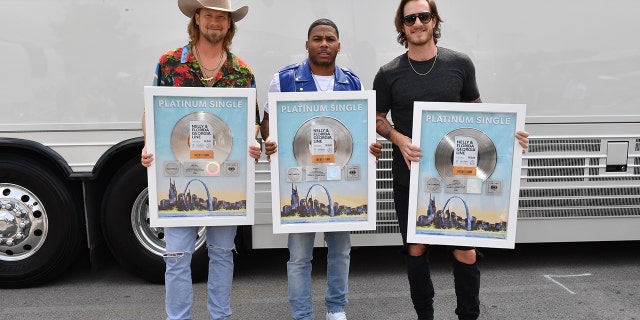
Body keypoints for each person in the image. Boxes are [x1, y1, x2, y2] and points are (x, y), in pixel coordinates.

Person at [372, 1, 529, 320]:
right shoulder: (388, 73)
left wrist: (509, 134)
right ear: (402, 27)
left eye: (423, 16)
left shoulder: (460, 64)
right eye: (410, 18)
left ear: (434, 21)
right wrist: (399, 138)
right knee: (415, 251)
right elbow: (376, 119)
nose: (417, 23)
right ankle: (425, 316)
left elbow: (480, 114)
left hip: (459, 176)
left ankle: (468, 316)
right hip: (410, 177)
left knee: (466, 251)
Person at [254, 18, 381, 320]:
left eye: (330, 38)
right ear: (307, 44)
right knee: (299, 257)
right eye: (317, 38)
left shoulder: (352, 83)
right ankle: (302, 314)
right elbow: (268, 122)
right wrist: (270, 141)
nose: (324, 43)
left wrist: (370, 146)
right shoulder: (283, 80)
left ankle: (336, 309)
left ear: (339, 45)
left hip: (340, 182)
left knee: (341, 251)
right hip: (299, 181)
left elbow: (360, 130)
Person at [140, 0, 259, 319]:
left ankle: (220, 316)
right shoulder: (169, 64)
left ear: (229, 24)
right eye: (209, 16)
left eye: (222, 17)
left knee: (222, 254)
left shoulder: (242, 72)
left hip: (225, 179)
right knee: (177, 256)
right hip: (177, 175)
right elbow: (151, 114)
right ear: (197, 18)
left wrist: (255, 145)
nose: (216, 23)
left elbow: (253, 124)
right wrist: (148, 145)